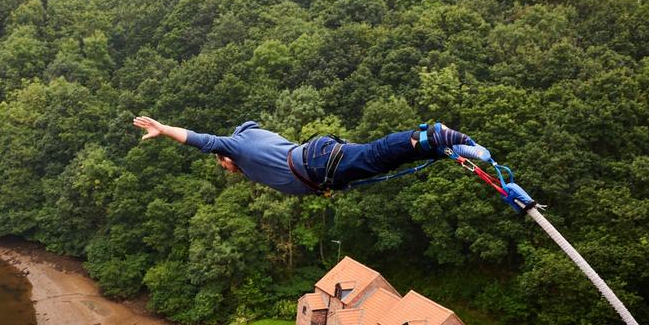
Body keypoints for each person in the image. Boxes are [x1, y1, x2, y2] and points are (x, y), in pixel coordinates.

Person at [132, 116, 490, 196]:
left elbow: (201, 140)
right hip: (318, 163)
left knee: (376, 155)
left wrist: (164, 129)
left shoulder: (235, 148)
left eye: (223, 164)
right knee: (382, 160)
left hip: (316, 164)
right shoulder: (255, 139)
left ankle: (435, 134)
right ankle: (441, 146)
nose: (227, 169)